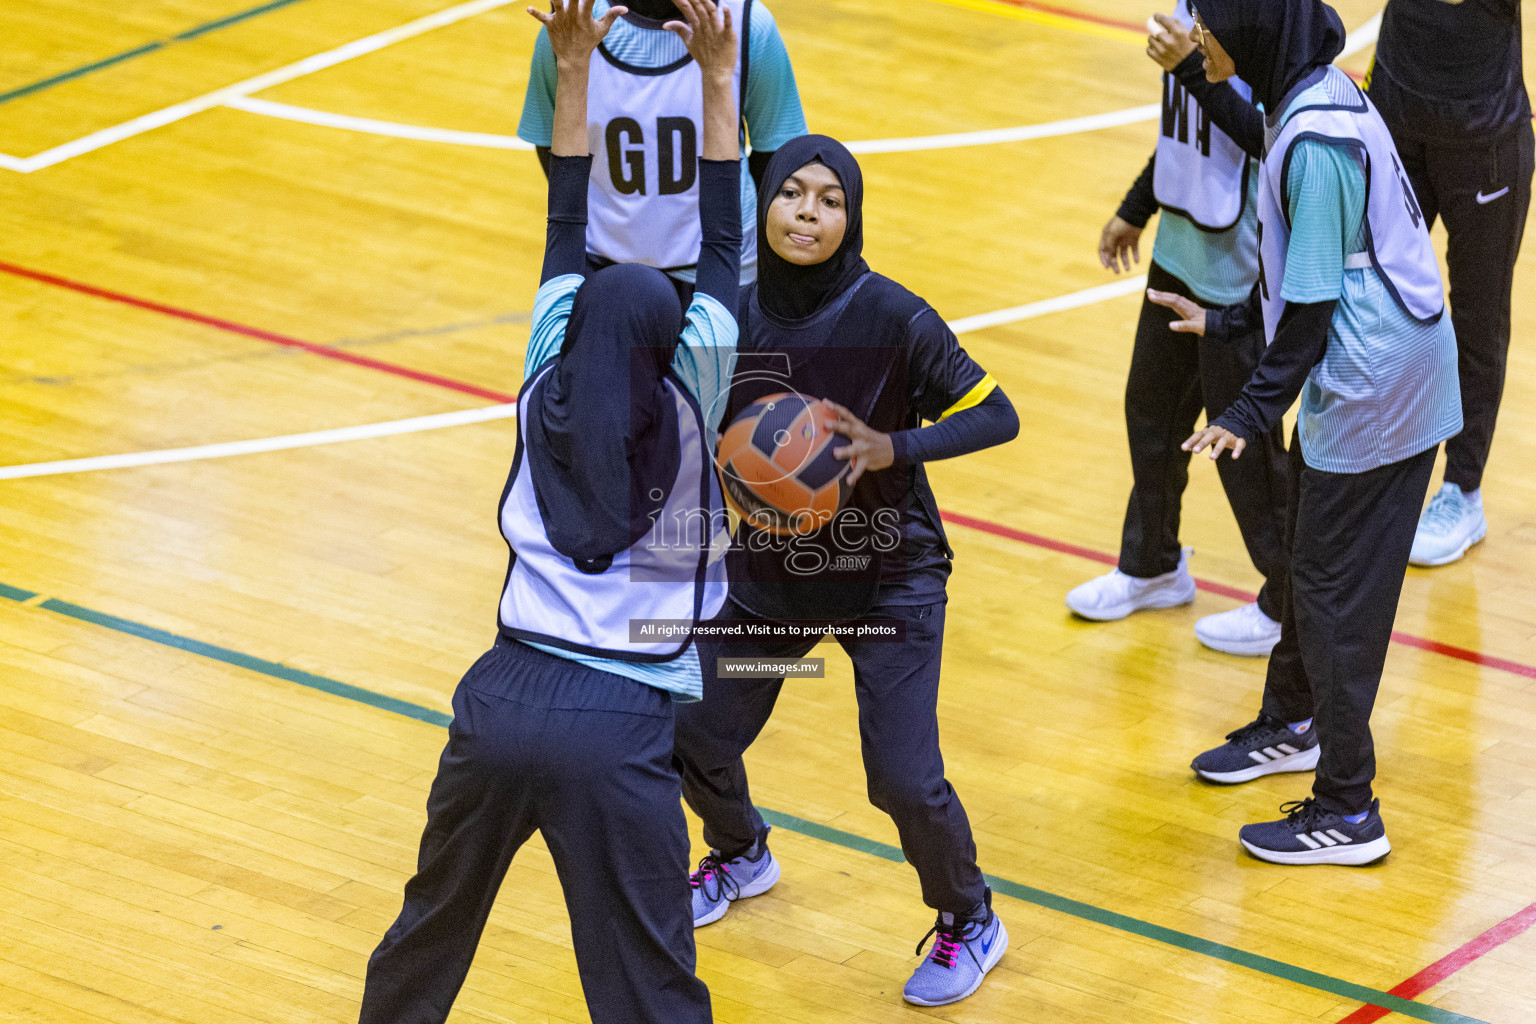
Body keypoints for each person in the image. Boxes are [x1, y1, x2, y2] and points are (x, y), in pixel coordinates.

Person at [356, 1, 741, 1021]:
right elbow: (721, 247)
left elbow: (567, 226)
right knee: (648, 983)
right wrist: (714, 77)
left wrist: (572, 69)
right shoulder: (695, 404)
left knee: (427, 931)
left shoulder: (542, 391)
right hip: (619, 719)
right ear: (672, 349)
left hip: (498, 697)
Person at [670, 134, 1020, 1007]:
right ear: (766, 207)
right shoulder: (731, 316)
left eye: (831, 200)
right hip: (772, 583)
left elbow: (999, 414)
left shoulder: (893, 316)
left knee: (901, 777)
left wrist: (892, 445)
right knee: (696, 729)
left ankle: (969, 918)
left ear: (851, 218)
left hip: (889, 583)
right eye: (793, 194)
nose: (809, 213)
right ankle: (741, 850)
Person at [1151, 0, 1461, 865]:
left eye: (1205, 26)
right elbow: (1300, 257)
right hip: (1380, 367)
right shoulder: (1311, 96)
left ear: (1250, 30)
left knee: (1330, 594)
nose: (1198, 37)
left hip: (1381, 387)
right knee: (1308, 563)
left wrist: (1247, 409)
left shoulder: (1317, 143)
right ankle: (1293, 722)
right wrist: (1223, 327)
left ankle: (1348, 808)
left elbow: (1315, 309)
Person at [1066, 1, 1292, 658]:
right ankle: (1152, 565)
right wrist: (1136, 207)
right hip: (1177, 253)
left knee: (1242, 450)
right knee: (1152, 418)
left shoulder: (1271, 19)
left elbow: (1266, 136)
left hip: (1238, 274)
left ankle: (1288, 603)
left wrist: (1190, 67)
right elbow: (1182, 130)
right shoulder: (1187, 9)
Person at [1366, 0, 1533, 566]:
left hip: (1483, 131)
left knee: (1478, 318)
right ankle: (1373, 480)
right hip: (1395, 100)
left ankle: (1462, 490)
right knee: (1375, 296)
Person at [517, 0, 807, 292]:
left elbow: (777, 156)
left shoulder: (747, 23)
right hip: (602, 265)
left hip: (724, 266)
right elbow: (551, 147)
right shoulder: (573, 20)